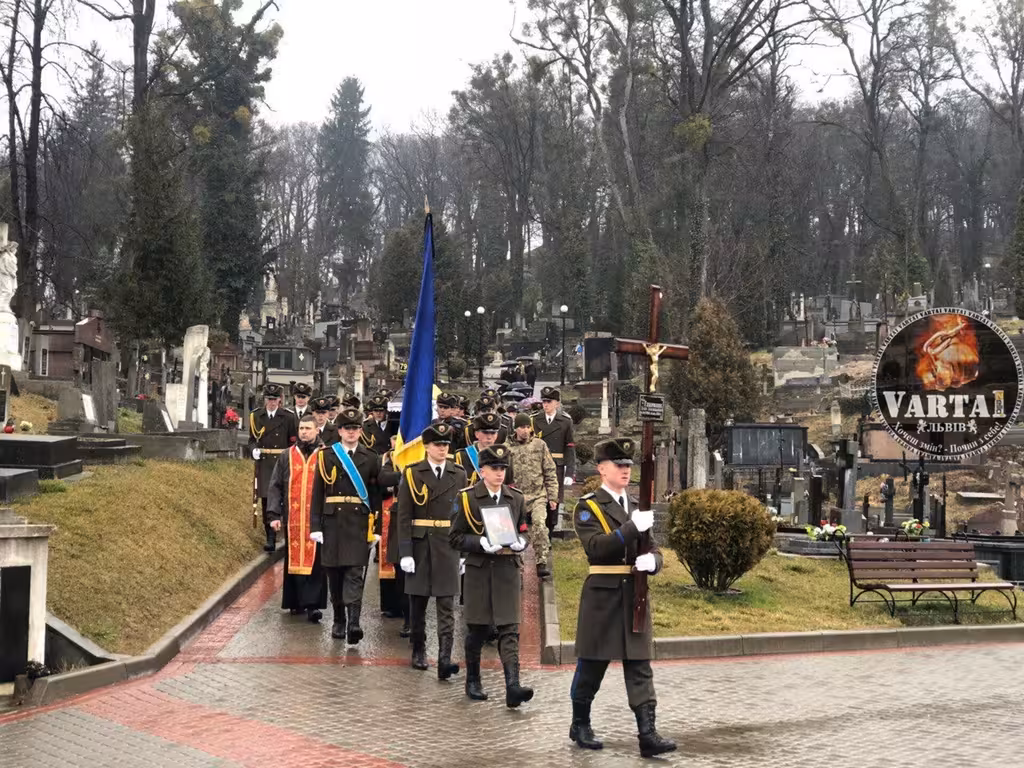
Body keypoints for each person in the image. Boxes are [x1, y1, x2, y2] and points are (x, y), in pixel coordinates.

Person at [568, 437, 676, 758]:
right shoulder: (588, 506)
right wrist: (631, 528)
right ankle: (580, 724)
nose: (626, 470)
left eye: (628, 465)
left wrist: (653, 562)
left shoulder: (637, 505)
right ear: (602, 469)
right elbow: (597, 547)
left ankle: (647, 734)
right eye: (619, 465)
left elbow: (653, 547)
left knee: (640, 665)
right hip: (602, 596)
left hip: (634, 595)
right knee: (592, 664)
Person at [450, 444, 533, 708]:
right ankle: (473, 680)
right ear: (481, 470)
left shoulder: (515, 498)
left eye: (502, 468)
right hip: (480, 570)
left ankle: (513, 686)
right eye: (494, 468)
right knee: (478, 629)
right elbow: (455, 537)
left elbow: (524, 528)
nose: (499, 473)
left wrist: (522, 542)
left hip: (507, 568)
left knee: (509, 629)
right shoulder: (467, 498)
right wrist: (479, 543)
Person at [310, 407, 398, 643]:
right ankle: (339, 619)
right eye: (347, 428)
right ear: (339, 431)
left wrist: (376, 528)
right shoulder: (326, 456)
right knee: (335, 575)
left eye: (355, 428)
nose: (351, 432)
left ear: (360, 431)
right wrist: (315, 526)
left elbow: (376, 493)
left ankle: (354, 623)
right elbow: (317, 493)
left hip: (359, 523)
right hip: (332, 523)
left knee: (355, 574)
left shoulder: (371, 457)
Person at [396, 422, 467, 677]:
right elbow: (404, 515)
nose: (442, 449)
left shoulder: (459, 473)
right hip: (420, 545)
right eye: (437, 444)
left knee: (447, 604)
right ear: (426, 446)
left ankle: (445, 657)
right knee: (418, 604)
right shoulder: (413, 473)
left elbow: (462, 515)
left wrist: (464, 553)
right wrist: (405, 552)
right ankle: (418, 649)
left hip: (448, 544)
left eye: (446, 444)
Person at [266, 414, 328, 622]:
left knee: (316, 562)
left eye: (308, 428)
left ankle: (313, 605)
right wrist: (274, 514)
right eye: (301, 428)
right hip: (293, 517)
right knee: (293, 558)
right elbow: (275, 485)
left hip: (318, 519)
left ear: (317, 430)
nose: (304, 432)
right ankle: (295, 602)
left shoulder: (326, 454)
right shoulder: (287, 455)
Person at [507, 412, 558, 579]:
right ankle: (518, 567)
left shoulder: (540, 445)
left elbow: (549, 470)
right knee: (515, 531)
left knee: (539, 524)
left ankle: (541, 561)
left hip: (538, 495)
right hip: (516, 497)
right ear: (515, 429)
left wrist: (553, 496)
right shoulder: (506, 448)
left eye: (528, 427)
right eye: (522, 427)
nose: (525, 430)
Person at [248, 383, 298, 552]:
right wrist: (253, 450)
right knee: (266, 499)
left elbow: (293, 441)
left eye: (275, 399)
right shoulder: (256, 416)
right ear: (265, 399)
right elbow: (251, 439)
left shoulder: (288, 417)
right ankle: (270, 536)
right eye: (269, 399)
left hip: (282, 461)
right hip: (264, 462)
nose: (271, 402)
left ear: (280, 400)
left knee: (281, 498)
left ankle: (280, 532)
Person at [531, 387, 577, 537]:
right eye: (544, 401)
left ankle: (551, 530)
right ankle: (540, 531)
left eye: (549, 402)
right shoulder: (535, 419)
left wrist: (570, 471)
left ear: (557, 403)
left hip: (557, 466)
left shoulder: (565, 421)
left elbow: (569, 446)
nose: (545, 405)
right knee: (538, 498)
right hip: (537, 466)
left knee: (554, 499)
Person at [454, 413, 513, 485]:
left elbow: (508, 485)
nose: (489, 437)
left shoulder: (505, 456)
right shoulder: (462, 456)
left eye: (493, 433)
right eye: (485, 433)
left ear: (497, 435)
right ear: (476, 434)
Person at [433, 392, 467, 456]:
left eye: (445, 408)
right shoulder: (433, 422)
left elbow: (449, 430)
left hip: (451, 456)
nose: (442, 410)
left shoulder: (458, 423)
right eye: (440, 407)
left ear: (451, 409)